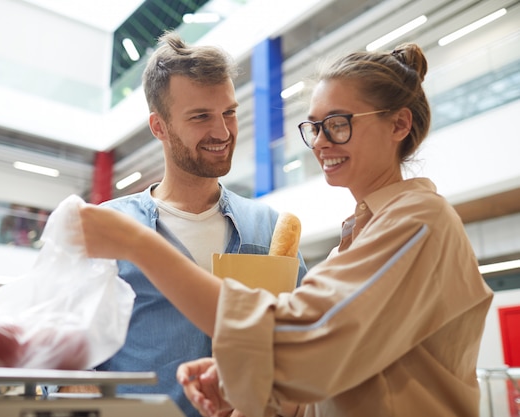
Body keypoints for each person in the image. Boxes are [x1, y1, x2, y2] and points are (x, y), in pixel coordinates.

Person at [76, 43, 494, 417]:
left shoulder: (416, 224)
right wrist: (250, 387)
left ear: (399, 125)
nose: (320, 142)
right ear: (159, 127)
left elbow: (304, 341)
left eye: (339, 123)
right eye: (314, 126)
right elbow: (329, 372)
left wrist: (140, 247)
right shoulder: (353, 243)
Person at [70, 31, 306, 416]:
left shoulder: (269, 229)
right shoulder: (108, 230)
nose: (223, 131)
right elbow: (64, 355)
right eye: (200, 117)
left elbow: (304, 347)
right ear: (159, 127)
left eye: (228, 112)